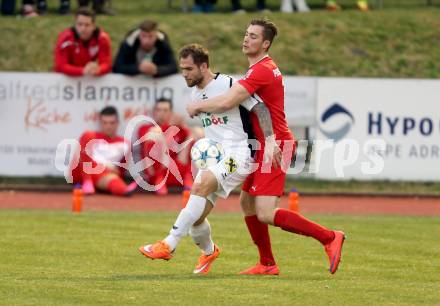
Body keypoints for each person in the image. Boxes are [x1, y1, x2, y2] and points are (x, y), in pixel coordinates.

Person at [186, 18, 346, 275]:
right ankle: (267, 264)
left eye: (253, 36)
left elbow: (228, 101)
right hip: (262, 145)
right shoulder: (258, 69)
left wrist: (198, 105)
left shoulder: (261, 70)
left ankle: (329, 237)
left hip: (276, 146)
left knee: (265, 212)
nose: (246, 39)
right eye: (246, 34)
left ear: (266, 44)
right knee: (247, 202)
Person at [138, 44, 272, 275]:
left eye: (189, 69)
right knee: (196, 219)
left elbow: (260, 108)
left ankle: (168, 244)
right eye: (182, 69)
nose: (184, 74)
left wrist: (270, 139)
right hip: (214, 157)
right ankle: (209, 251)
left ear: (203, 66)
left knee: (198, 187)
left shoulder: (229, 84)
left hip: (240, 154)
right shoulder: (195, 94)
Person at [70, 106, 137, 196]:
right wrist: (105, 166)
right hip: (82, 173)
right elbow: (79, 157)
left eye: (111, 123)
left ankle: (123, 189)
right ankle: (87, 181)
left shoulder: (125, 143)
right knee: (87, 136)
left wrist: (111, 171)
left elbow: (120, 170)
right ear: (100, 123)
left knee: (111, 177)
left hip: (103, 176)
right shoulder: (91, 136)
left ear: (117, 123)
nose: (108, 126)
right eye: (105, 123)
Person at [137, 98, 193, 195]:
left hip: (177, 171)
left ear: (171, 113)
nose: (162, 113)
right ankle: (160, 179)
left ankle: (189, 177)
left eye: (165, 110)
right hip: (156, 174)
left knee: (195, 136)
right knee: (154, 135)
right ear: (154, 112)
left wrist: (183, 126)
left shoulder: (177, 128)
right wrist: (169, 126)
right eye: (159, 110)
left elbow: (190, 138)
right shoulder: (144, 128)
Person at [54, 8, 112, 76]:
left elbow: (106, 64)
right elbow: (61, 66)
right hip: (66, 79)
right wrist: (82, 70)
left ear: (93, 26)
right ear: (75, 24)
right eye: (80, 24)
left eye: (87, 25)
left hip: (88, 78)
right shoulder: (65, 38)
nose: (83, 29)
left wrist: (98, 69)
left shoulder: (102, 38)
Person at [113, 20, 178, 78]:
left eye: (150, 36)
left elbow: (173, 67)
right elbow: (117, 67)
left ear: (156, 36)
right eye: (144, 36)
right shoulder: (129, 43)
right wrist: (138, 68)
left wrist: (156, 70)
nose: (146, 41)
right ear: (139, 35)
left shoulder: (163, 44)